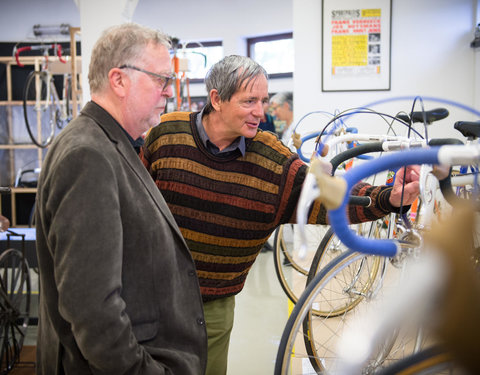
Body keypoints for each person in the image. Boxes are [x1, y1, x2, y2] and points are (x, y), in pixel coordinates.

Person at [140, 55, 419, 375]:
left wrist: (388, 198)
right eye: (249, 101)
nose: (261, 111)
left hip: (212, 308)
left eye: (264, 100)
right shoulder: (166, 134)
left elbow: (327, 198)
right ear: (216, 99)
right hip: (150, 296)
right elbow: (128, 200)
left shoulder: (271, 158)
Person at [35, 23, 207, 375]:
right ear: (119, 80)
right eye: (161, 80)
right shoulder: (88, 156)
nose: (168, 93)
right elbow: (92, 309)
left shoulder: (111, 144)